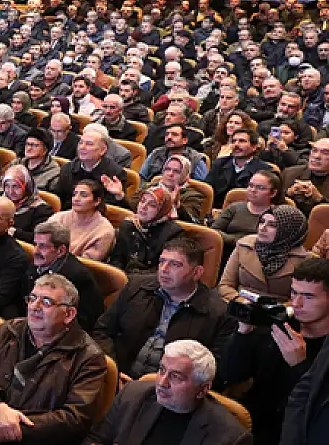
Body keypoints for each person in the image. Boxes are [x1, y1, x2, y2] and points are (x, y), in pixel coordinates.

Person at [0, 273, 109, 444]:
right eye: (32, 298)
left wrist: (12, 427)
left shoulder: (89, 357)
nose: (34, 306)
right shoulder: (9, 330)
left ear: (69, 314)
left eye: (46, 302)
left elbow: (74, 418)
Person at [217, 258, 329, 445]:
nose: (297, 303)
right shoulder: (278, 324)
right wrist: (242, 335)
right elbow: (229, 375)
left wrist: (299, 367)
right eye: (294, 293)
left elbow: (316, 413)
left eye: (309, 297)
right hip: (250, 424)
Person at [92, 237, 236, 378]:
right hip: (118, 375)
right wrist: (113, 372)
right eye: (162, 262)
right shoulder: (136, 288)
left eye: (175, 264)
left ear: (197, 272)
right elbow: (102, 331)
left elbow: (213, 369)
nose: (164, 269)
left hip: (169, 391)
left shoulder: (218, 313)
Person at [85, 340, 252, 445]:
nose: (162, 382)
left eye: (176, 377)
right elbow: (96, 438)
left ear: (202, 389)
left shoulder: (230, 438)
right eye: (162, 370)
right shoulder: (132, 395)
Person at [219, 205, 310, 302]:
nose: (262, 228)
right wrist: (241, 301)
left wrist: (283, 309)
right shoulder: (244, 245)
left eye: (272, 225)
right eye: (262, 222)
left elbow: (305, 299)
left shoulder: (304, 259)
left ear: (288, 231)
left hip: (282, 312)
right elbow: (225, 285)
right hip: (241, 306)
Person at [27, 222, 104, 331]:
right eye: (35, 244)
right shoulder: (36, 264)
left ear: (61, 251)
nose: (35, 251)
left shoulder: (78, 276)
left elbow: (85, 320)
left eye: (42, 246)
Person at [110, 186, 185, 274]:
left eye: (152, 205)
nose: (144, 207)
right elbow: (117, 259)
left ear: (162, 210)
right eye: (142, 201)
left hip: (152, 281)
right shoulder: (128, 224)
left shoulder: (174, 233)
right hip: (125, 278)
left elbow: (164, 270)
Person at [212, 169, 283, 251]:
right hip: (224, 252)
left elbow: (266, 242)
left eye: (260, 187)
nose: (253, 190)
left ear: (273, 193)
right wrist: (241, 240)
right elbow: (214, 231)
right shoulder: (235, 207)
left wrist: (229, 238)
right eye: (251, 185)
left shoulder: (278, 215)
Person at [206, 128, 273, 209]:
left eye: (242, 141)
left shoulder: (265, 170)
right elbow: (207, 191)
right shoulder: (219, 164)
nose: (236, 144)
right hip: (216, 211)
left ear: (254, 147)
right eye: (234, 141)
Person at [50, 180, 116, 261]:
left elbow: (87, 264)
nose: (76, 199)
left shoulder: (104, 231)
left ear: (97, 201)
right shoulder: (57, 218)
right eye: (74, 194)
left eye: (83, 195)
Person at [282, 137, 329, 215]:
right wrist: (288, 194)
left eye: (325, 153)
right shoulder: (289, 173)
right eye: (314, 150)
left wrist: (320, 199)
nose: (317, 156)